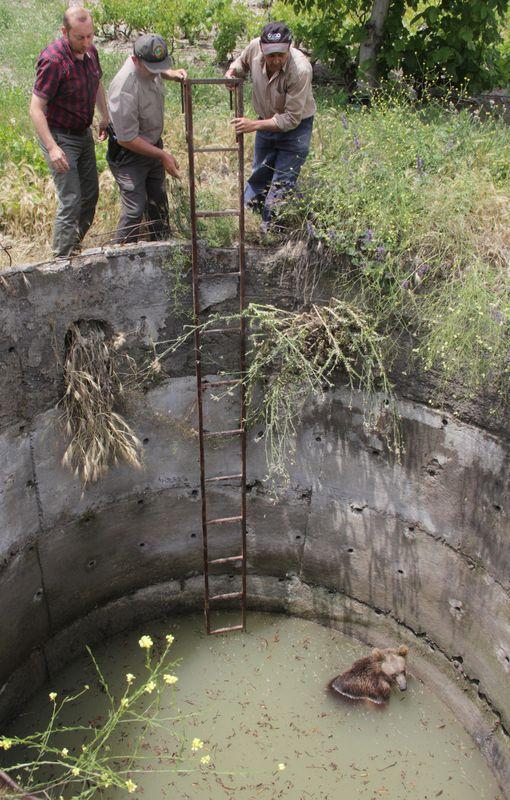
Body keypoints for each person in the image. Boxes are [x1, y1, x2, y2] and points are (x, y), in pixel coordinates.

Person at [30, 6, 109, 258]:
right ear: (65, 32)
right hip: (59, 135)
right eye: (80, 37)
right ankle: (60, 261)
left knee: (90, 195)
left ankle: (74, 247)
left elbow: (96, 83)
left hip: (82, 132)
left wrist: (104, 116)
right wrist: (53, 148)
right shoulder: (54, 60)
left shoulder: (90, 52)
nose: (86, 42)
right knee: (71, 198)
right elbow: (35, 109)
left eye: (90, 36)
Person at [225, 22, 316, 232]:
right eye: (270, 55)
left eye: (280, 55)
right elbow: (241, 62)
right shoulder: (254, 47)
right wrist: (232, 72)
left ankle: (272, 231)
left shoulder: (300, 70)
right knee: (260, 174)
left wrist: (254, 125)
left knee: (281, 185)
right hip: (266, 119)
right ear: (263, 49)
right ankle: (250, 224)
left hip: (297, 128)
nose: (275, 60)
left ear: (289, 48)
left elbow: (291, 119)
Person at [107, 34, 186, 244]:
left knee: (158, 204)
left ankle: (162, 254)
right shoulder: (124, 87)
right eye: (153, 68)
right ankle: (122, 259)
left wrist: (171, 73)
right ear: (135, 60)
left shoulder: (150, 67)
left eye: (160, 67)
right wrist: (162, 155)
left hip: (151, 144)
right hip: (129, 154)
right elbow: (126, 138)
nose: (156, 73)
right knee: (135, 209)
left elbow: (159, 69)